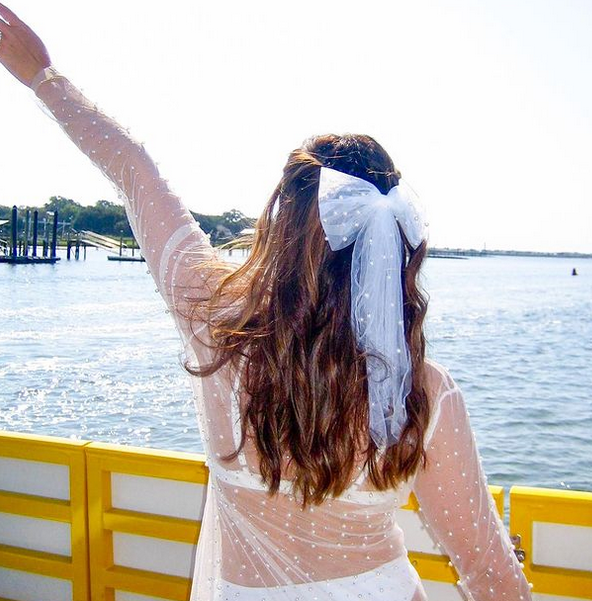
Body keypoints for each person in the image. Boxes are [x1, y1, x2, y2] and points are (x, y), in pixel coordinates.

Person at [0, 5, 532, 600]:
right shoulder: (424, 392)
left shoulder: (214, 319)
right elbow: (492, 575)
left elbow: (134, 170)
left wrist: (42, 76)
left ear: (283, 225)